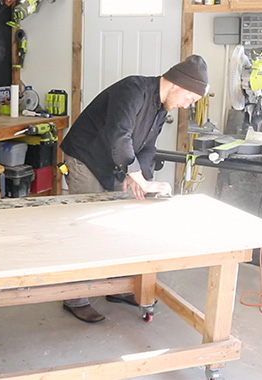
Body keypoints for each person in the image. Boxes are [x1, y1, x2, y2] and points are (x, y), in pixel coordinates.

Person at [59, 55, 209, 323]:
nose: (188, 105)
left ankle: (118, 287)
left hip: (113, 160)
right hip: (86, 157)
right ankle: (76, 297)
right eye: (191, 99)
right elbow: (119, 134)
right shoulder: (133, 90)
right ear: (178, 84)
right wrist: (134, 174)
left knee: (120, 224)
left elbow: (147, 148)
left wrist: (144, 182)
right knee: (87, 229)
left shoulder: (162, 109)